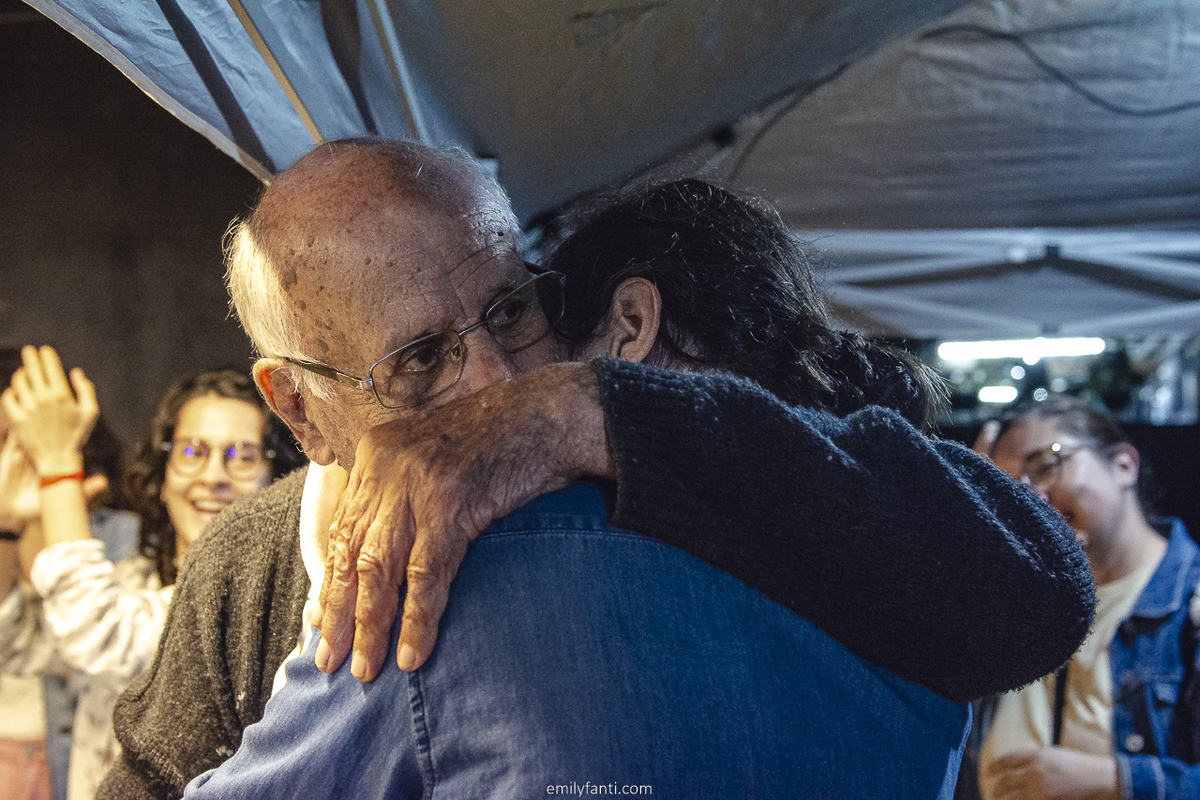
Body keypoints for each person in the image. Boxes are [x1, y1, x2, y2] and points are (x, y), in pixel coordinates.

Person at [101, 142, 1091, 799]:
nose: (493, 383)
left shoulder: (615, 520)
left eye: (510, 312)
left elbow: (1037, 582)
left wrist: (589, 409)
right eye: (418, 360)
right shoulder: (252, 565)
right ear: (299, 409)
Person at [0, 349, 299, 800]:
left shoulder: (253, 609)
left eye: (243, 456)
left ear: (277, 480)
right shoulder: (135, 580)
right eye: (192, 452)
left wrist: (59, 465)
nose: (213, 476)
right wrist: (5, 527)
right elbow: (12, 642)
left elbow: (99, 630)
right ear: (163, 476)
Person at [977, 395, 1200, 800]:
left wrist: (1115, 780)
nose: (1031, 499)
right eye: (1010, 488)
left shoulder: (1189, 605)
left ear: (1123, 466)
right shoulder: (1018, 601)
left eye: (1046, 464)